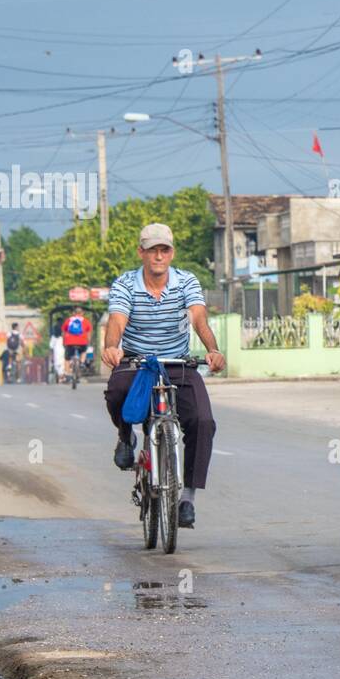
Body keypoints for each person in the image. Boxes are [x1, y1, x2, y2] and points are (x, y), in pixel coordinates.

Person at [102, 223, 225, 528]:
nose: (158, 256)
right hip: (137, 362)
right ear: (140, 252)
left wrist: (213, 350)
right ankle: (125, 437)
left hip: (177, 363)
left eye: (164, 250)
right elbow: (117, 320)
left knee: (203, 421)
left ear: (172, 253)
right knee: (116, 392)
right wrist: (111, 347)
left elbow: (198, 318)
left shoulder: (186, 282)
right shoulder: (125, 284)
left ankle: (188, 498)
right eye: (152, 250)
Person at [61, 306, 91, 376]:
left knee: (67, 357)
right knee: (83, 351)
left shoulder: (68, 320)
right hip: (82, 341)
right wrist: (88, 342)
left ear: (74, 313)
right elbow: (88, 333)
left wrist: (64, 341)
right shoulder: (85, 321)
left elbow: (63, 332)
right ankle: (82, 363)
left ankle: (67, 372)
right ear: (82, 313)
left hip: (69, 342)